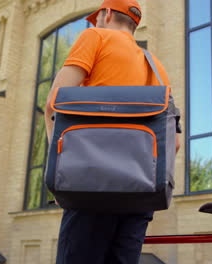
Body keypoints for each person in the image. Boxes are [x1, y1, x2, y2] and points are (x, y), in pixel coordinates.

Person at [44, 0, 180, 263]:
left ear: (106, 14)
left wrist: (60, 177)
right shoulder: (157, 68)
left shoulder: (95, 36)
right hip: (141, 196)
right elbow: (173, 143)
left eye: (96, 18)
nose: (94, 23)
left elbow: (53, 106)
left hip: (91, 188)